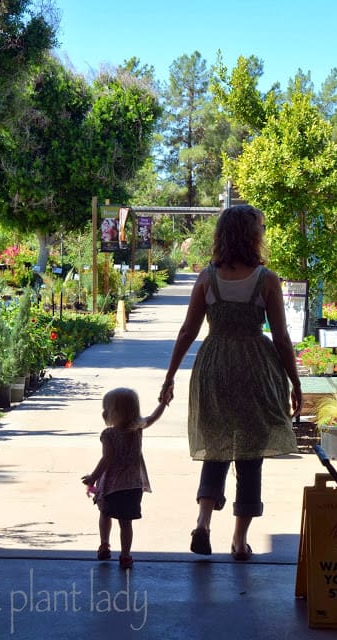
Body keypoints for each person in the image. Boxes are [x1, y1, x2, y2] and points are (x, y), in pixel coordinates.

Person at [159, 204, 302, 561]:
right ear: (252, 235)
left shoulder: (208, 277)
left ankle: (203, 523)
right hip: (256, 368)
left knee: (217, 445)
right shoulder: (266, 279)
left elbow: (187, 331)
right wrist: (295, 381)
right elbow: (282, 338)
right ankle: (239, 541)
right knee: (251, 454)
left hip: (215, 367)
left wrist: (171, 375)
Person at [82, 387, 167, 569]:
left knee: (105, 514)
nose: (104, 412)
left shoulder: (109, 434)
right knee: (125, 523)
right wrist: (163, 403)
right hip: (133, 485)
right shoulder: (138, 428)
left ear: (115, 412)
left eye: (106, 409)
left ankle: (104, 544)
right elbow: (153, 417)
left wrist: (92, 477)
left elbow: (107, 459)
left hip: (112, 485)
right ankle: (126, 555)